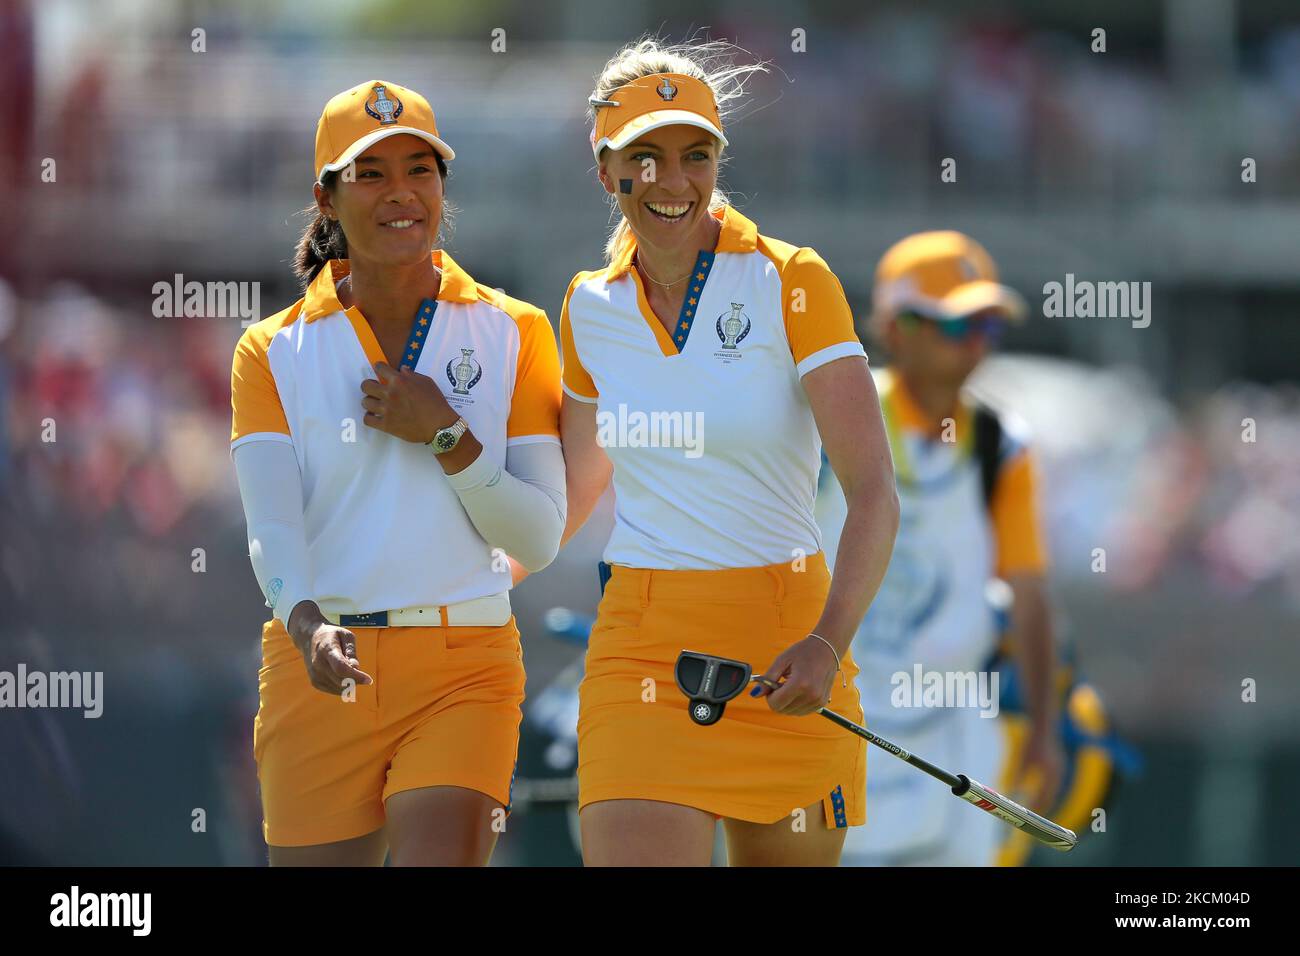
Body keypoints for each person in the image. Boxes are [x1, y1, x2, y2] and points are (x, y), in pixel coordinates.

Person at [558, 39, 900, 866]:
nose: (674, 180)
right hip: (640, 648)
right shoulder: (586, 307)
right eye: (646, 157)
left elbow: (874, 495)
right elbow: (560, 500)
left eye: (695, 155)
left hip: (789, 648)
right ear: (608, 174)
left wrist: (829, 642)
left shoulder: (793, 280)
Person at [229, 80, 565, 865]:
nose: (402, 193)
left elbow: (539, 534)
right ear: (328, 196)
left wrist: (445, 433)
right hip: (317, 665)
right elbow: (272, 530)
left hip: (465, 669)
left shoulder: (516, 330)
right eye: (372, 174)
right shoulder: (269, 350)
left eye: (422, 169)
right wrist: (308, 629)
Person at [817, 230, 1063, 866]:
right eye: (959, 326)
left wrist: (1044, 729)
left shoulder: (1000, 444)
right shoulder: (831, 416)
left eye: (987, 326)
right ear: (898, 328)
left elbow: (1029, 592)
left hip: (956, 745)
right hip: (832, 724)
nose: (977, 345)